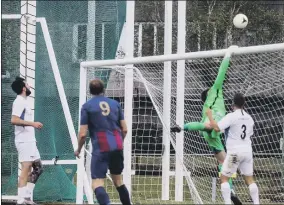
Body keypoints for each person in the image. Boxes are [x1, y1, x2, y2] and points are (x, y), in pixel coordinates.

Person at [171, 46, 242, 204]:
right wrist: (228, 54)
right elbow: (221, 74)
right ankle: (229, 190)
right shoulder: (215, 91)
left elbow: (201, 124)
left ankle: (229, 191)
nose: (212, 87)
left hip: (213, 136)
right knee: (208, 127)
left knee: (225, 164)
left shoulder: (207, 106)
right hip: (213, 127)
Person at [75, 79, 131, 205]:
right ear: (103, 89)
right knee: (118, 181)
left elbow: (83, 134)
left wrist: (78, 149)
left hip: (101, 147)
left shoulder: (87, 106)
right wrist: (119, 143)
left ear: (90, 91)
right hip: (117, 145)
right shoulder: (115, 104)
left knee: (97, 183)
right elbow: (125, 129)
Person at [206, 93, 259, 205]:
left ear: (233, 103)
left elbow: (216, 128)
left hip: (235, 153)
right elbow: (250, 134)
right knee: (250, 180)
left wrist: (210, 116)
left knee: (224, 178)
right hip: (247, 152)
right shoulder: (249, 118)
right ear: (244, 104)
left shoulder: (231, 116)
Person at [11, 77, 44, 205]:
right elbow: (14, 120)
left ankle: (27, 198)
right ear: (23, 88)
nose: (29, 85)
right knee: (26, 168)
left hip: (30, 141)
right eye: (27, 84)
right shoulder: (18, 101)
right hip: (23, 141)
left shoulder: (24, 102)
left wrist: (32, 126)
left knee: (38, 168)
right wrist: (33, 124)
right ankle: (20, 201)